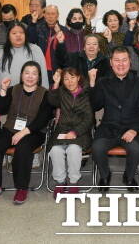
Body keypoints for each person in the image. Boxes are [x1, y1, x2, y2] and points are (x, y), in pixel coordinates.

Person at [0, 61, 54, 204]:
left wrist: (24, 132)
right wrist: (3, 90)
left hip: (34, 131)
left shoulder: (45, 94)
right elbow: (0, 109)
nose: (30, 76)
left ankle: (21, 188)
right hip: (11, 128)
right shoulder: (13, 89)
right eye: (27, 73)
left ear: (39, 77)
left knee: (23, 148)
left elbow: (43, 118)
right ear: (21, 75)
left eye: (34, 73)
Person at [91, 46, 139, 192]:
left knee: (136, 149)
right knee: (97, 147)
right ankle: (105, 175)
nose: (121, 64)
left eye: (124, 60)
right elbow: (95, 105)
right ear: (111, 63)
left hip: (131, 127)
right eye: (117, 60)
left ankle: (129, 176)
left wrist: (134, 129)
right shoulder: (103, 81)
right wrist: (93, 83)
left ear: (130, 62)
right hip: (108, 128)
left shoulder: (138, 82)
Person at [48, 67, 94, 196]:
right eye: (66, 79)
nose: (70, 82)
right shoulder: (62, 92)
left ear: (78, 78)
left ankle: (73, 182)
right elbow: (52, 101)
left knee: (73, 149)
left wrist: (75, 132)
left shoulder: (86, 93)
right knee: (55, 150)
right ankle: (61, 182)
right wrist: (56, 83)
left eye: (72, 77)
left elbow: (89, 119)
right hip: (62, 130)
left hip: (81, 132)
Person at [0, 22, 49, 89]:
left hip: (30, 93)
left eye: (21, 32)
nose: (18, 35)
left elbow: (43, 73)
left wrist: (44, 91)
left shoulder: (35, 49)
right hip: (3, 92)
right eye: (14, 33)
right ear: (8, 36)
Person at [27, 4, 65, 85]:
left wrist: (59, 33)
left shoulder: (64, 30)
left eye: (53, 14)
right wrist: (33, 22)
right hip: (40, 67)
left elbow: (65, 54)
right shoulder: (38, 28)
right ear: (44, 15)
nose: (50, 16)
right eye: (48, 14)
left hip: (57, 70)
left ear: (57, 15)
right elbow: (30, 42)